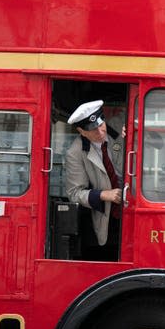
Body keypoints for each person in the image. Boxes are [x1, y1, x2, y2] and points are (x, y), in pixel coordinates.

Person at [65, 100, 124, 261]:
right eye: (93, 130)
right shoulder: (75, 152)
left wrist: (134, 131)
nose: (100, 132)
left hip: (132, 207)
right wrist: (105, 194)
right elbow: (75, 193)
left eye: (101, 124)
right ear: (81, 131)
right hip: (106, 217)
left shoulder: (116, 127)